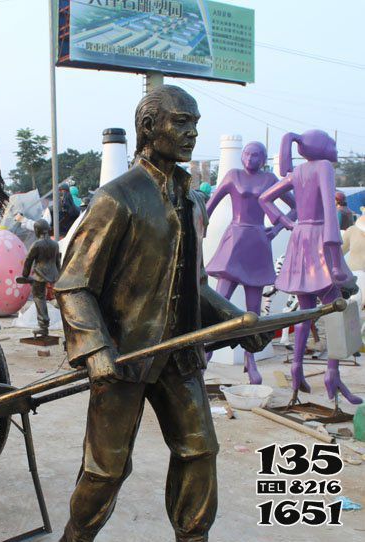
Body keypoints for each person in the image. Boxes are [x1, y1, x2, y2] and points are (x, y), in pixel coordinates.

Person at [55, 85, 270, 542]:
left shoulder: (192, 202)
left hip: (179, 355)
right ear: (149, 128)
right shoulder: (118, 198)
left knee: (199, 452)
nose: (192, 133)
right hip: (125, 357)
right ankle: (76, 537)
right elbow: (74, 285)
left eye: (195, 123)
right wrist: (95, 350)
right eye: (181, 122)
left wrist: (239, 322)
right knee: (106, 471)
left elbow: (194, 287)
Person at [260, 130, 361, 405]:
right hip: (319, 243)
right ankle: (332, 373)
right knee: (335, 311)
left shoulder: (297, 172)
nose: (336, 149)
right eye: (332, 144)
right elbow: (330, 210)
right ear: (322, 147)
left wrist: (287, 223)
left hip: (300, 241)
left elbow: (264, 199)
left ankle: (296, 370)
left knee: (305, 311)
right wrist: (334, 253)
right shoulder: (323, 167)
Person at [204, 141, 296, 384]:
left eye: (256, 155)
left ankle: (249, 359)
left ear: (263, 159)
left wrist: (276, 230)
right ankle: (206, 353)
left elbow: (295, 206)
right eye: (246, 153)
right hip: (234, 241)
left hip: (257, 243)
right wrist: (199, 228)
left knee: (252, 309)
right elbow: (209, 206)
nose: (250, 158)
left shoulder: (269, 179)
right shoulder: (232, 176)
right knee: (218, 303)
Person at [20, 219, 61, 335]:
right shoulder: (55, 244)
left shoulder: (37, 244)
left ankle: (43, 326)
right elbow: (58, 261)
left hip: (40, 275)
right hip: (54, 275)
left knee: (39, 297)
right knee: (59, 299)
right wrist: (60, 276)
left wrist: (25, 275)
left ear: (37, 230)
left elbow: (28, 260)